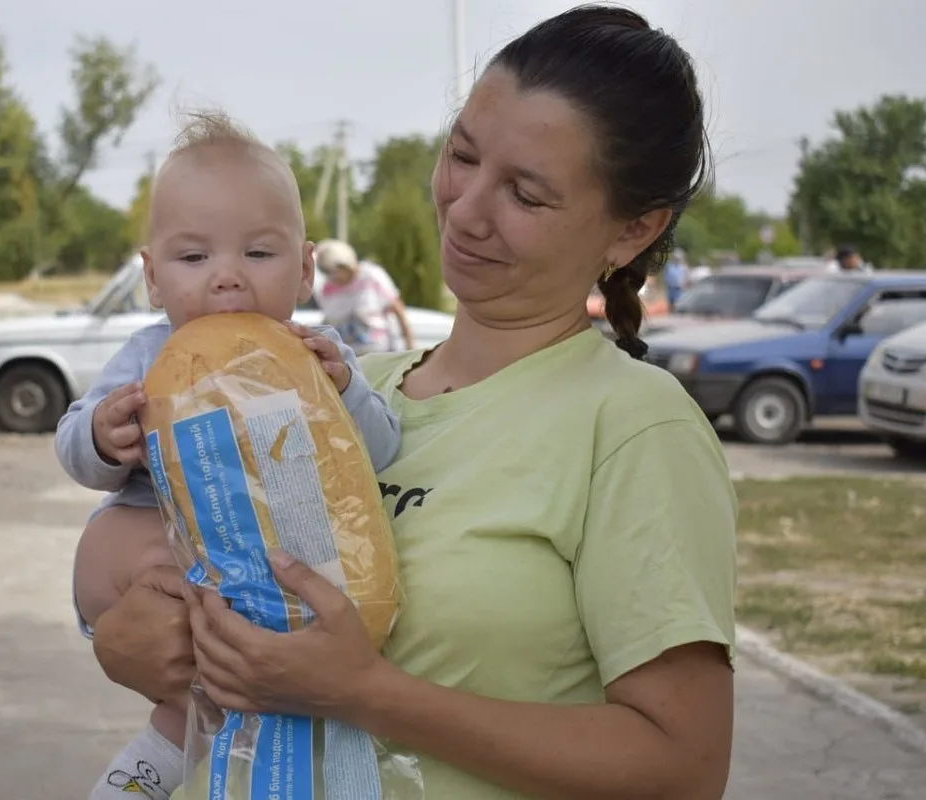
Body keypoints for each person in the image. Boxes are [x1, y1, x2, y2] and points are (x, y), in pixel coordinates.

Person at [77, 6, 738, 798]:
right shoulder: (340, 384)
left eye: (525, 196)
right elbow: (181, 549)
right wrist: (132, 641)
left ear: (633, 229)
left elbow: (683, 768)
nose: (465, 209)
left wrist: (366, 693)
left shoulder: (634, 426)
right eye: (461, 155)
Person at [56, 112, 402, 800]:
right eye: (194, 258)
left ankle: (213, 766)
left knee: (236, 695)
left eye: (258, 253)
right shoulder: (150, 355)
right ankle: (144, 771)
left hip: (269, 575)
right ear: (153, 279)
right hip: (168, 563)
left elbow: (383, 449)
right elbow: (70, 442)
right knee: (186, 678)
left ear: (305, 268)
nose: (227, 279)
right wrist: (103, 434)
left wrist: (347, 389)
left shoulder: (311, 353)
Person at [314, 238, 416, 353]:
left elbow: (397, 308)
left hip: (379, 352)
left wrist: (410, 346)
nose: (331, 277)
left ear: (345, 265)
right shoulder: (328, 288)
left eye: (332, 271)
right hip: (346, 356)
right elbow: (328, 321)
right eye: (325, 272)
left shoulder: (370, 276)